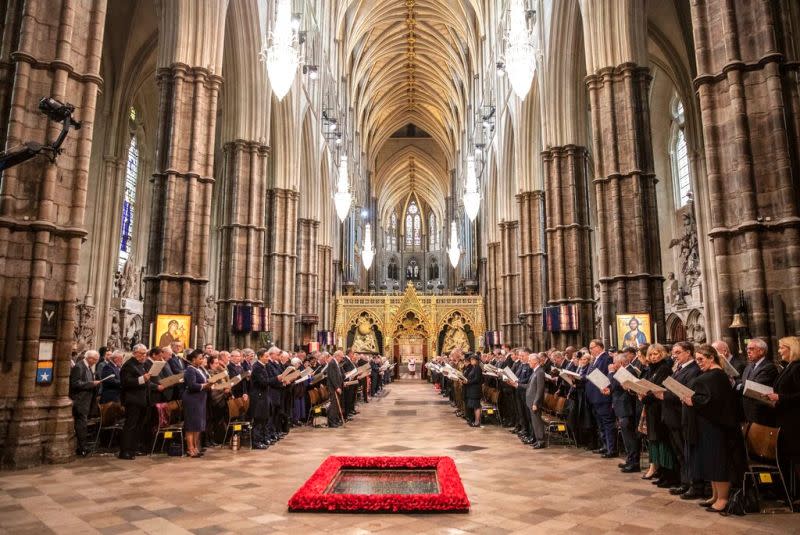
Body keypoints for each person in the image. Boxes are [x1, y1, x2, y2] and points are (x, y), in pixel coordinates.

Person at [681, 344, 740, 513]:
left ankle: (723, 498)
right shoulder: (710, 375)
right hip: (706, 426)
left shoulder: (717, 376)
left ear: (711, 358)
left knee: (718, 461)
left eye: (701, 359)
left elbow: (714, 403)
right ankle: (715, 495)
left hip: (716, 427)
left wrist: (694, 401)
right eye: (697, 359)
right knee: (710, 461)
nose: (698, 362)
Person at [656, 341, 703, 499]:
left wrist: (664, 395)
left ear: (688, 352)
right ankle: (685, 482)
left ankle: (694, 484)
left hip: (680, 415)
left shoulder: (694, 370)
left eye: (678, 353)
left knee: (686, 452)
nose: (674, 356)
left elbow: (687, 392)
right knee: (679, 452)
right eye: (674, 353)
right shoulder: (679, 368)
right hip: (672, 416)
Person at [765, 336, 800, 500]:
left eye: (781, 347)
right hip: (785, 419)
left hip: (794, 422)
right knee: (789, 457)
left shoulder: (797, 368)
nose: (778, 351)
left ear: (791, 348)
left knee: (796, 458)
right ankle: (792, 492)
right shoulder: (789, 366)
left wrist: (780, 398)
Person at [640, 343, 677, 486]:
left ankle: (668, 474)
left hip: (660, 409)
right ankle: (660, 471)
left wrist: (645, 395)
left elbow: (660, 390)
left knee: (663, 441)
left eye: (656, 354)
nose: (653, 357)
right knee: (654, 439)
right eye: (651, 354)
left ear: (662, 353)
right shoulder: (651, 369)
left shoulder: (665, 368)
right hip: (651, 409)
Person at [119, 344, 154, 460]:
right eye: (142, 353)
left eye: (145, 353)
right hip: (133, 400)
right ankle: (125, 451)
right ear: (134, 353)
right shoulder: (128, 365)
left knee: (139, 426)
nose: (144, 356)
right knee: (130, 426)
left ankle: (133, 449)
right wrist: (142, 379)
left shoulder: (141, 365)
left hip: (143, 400)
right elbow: (126, 382)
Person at [608, 352, 640, 472]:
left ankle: (634, 462)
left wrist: (611, 372)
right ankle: (630, 459)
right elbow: (615, 387)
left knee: (630, 436)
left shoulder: (627, 371)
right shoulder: (623, 371)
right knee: (627, 436)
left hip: (627, 408)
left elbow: (613, 383)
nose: (612, 365)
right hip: (621, 407)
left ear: (621, 363)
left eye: (614, 362)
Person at [586, 339, 616, 457]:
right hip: (595, 397)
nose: (591, 350)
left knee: (607, 424)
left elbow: (607, 377)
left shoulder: (606, 358)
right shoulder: (595, 360)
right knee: (601, 424)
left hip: (602, 397)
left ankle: (611, 449)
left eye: (592, 347)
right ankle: (605, 446)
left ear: (599, 347)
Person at [739, 338, 779, 426]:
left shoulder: (769, 367)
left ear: (761, 351)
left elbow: (753, 386)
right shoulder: (748, 367)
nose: (748, 351)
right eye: (747, 349)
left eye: (751, 349)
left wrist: (737, 385)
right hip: (747, 412)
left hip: (761, 414)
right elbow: (743, 383)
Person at [69, 349, 101, 457]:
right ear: (89, 358)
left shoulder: (87, 367)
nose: (95, 362)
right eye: (95, 360)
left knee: (82, 424)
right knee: (81, 424)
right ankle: (82, 448)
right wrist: (91, 384)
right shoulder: (79, 366)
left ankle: (82, 447)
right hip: (80, 400)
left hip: (86, 400)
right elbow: (75, 383)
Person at [182, 349, 208, 458]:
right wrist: (204, 385)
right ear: (193, 359)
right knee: (191, 425)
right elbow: (192, 385)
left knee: (197, 425)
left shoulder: (199, 369)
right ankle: (190, 449)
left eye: (202, 358)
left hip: (200, 399)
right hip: (192, 399)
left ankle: (196, 447)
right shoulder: (190, 370)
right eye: (200, 358)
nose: (202, 360)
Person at [526, 353, 547, 448]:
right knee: (534, 422)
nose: (528, 362)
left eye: (530, 360)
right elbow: (530, 386)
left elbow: (540, 389)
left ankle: (541, 441)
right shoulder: (535, 371)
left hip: (535, 402)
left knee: (537, 421)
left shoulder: (540, 372)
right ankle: (538, 439)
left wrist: (535, 402)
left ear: (535, 361)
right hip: (531, 401)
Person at [463, 353, 483, 427]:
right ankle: (475, 420)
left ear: (476, 360)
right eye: (470, 359)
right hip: (472, 389)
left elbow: (477, 379)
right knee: (474, 406)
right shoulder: (474, 367)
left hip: (476, 390)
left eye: (472, 359)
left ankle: (477, 422)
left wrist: (468, 381)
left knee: (476, 406)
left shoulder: (478, 368)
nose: (471, 361)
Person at [327, 351, 345, 427]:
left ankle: (336, 419)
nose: (341, 359)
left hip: (337, 386)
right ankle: (332, 422)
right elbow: (332, 376)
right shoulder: (332, 363)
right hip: (333, 388)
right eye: (341, 357)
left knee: (337, 405)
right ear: (337, 356)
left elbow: (339, 375)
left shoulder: (336, 363)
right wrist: (337, 387)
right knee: (333, 405)